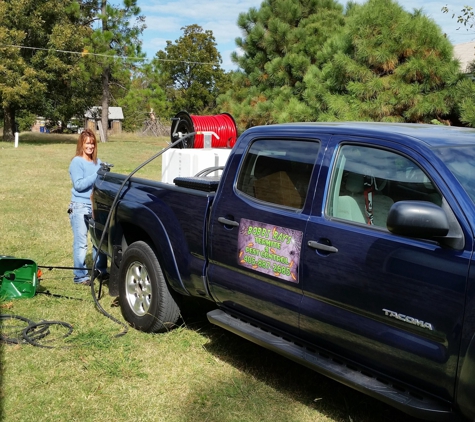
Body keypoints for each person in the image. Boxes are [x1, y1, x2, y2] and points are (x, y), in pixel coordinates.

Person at [68, 129, 107, 285]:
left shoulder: (98, 162)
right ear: (81, 144)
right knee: (81, 242)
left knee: (99, 241)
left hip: (96, 206)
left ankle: (101, 271)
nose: (90, 146)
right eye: (87, 143)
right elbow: (78, 185)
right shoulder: (77, 162)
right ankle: (80, 276)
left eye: (92, 143)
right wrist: (97, 174)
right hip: (79, 206)